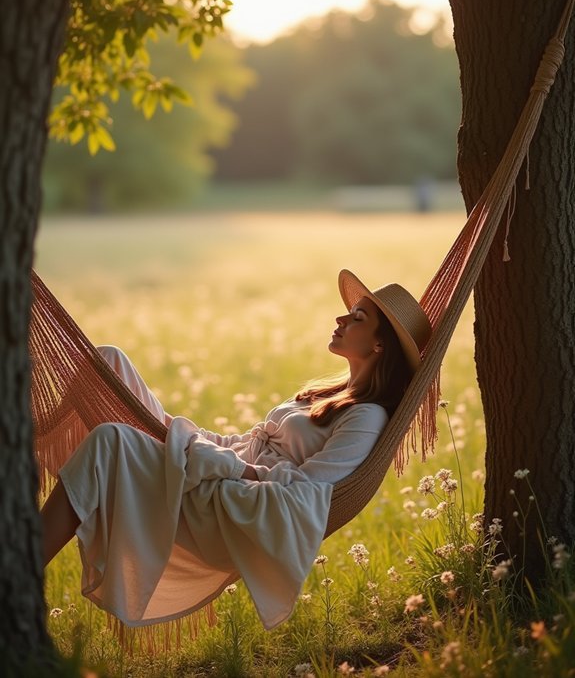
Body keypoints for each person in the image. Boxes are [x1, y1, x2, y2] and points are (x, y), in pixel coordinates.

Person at [41, 268, 431, 629]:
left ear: (381, 344)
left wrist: (223, 465)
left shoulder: (366, 417)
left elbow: (310, 489)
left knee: (111, 440)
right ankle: (37, 439)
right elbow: (246, 444)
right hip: (223, 471)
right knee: (109, 361)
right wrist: (196, 441)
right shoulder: (330, 392)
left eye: (357, 318)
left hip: (228, 507)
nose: (340, 319)